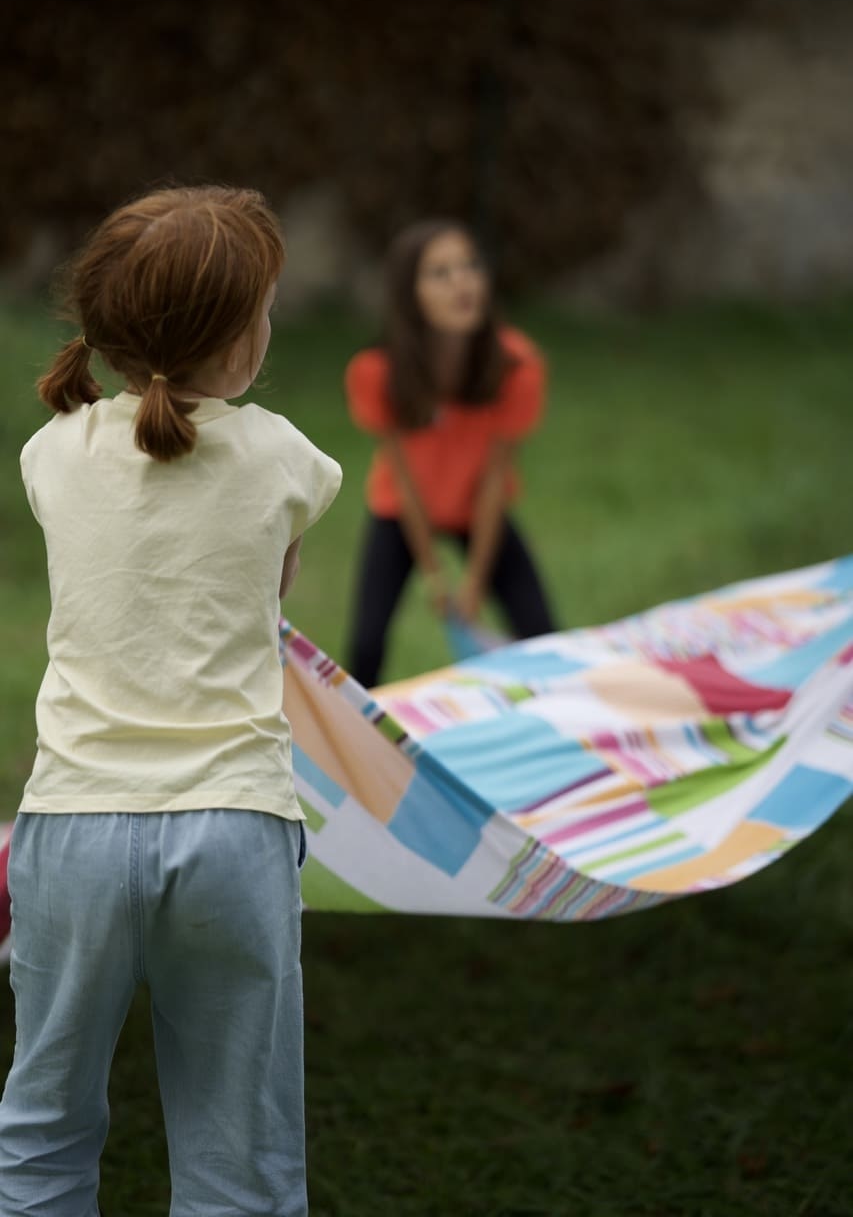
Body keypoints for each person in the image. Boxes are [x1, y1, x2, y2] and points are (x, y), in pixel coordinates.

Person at [0, 186, 341, 1217]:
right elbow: (262, 585)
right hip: (234, 826)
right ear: (237, 343)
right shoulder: (285, 456)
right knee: (241, 1149)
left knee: (46, 1117)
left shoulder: (50, 454)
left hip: (73, 827)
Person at [344, 219, 555, 687]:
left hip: (480, 507)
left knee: (543, 633)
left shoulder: (516, 366)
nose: (462, 283)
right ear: (409, 293)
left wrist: (474, 580)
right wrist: (436, 576)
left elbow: (496, 479)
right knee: (366, 645)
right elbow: (401, 480)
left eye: (470, 266)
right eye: (440, 273)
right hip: (403, 508)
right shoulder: (376, 373)